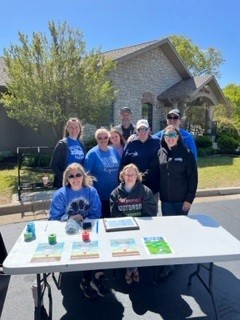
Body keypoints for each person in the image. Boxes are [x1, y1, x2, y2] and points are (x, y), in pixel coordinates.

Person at [48, 163, 110, 298]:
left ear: (83, 176)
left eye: (78, 175)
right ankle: (86, 280)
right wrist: (71, 218)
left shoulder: (91, 191)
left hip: (87, 225)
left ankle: (99, 275)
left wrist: (84, 224)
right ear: (67, 179)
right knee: (83, 246)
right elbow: (54, 218)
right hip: (67, 229)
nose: (75, 178)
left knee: (93, 242)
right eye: (71, 176)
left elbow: (96, 213)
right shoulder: (61, 194)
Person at [146, 125, 198, 279]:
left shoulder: (186, 153)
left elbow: (193, 179)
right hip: (166, 201)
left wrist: (189, 199)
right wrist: (135, 177)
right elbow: (151, 171)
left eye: (173, 135)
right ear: (164, 137)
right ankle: (170, 263)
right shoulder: (160, 153)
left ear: (178, 136)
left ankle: (178, 258)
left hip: (182, 201)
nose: (170, 137)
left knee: (181, 230)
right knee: (168, 231)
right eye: (167, 135)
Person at [110, 163, 158, 285]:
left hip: (141, 228)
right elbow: (114, 213)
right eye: (127, 174)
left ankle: (131, 269)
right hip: (124, 228)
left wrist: (138, 224)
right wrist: (125, 224)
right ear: (123, 176)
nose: (130, 177)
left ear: (137, 176)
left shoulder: (145, 191)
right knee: (128, 246)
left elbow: (151, 212)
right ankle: (132, 269)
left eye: (133, 174)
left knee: (138, 245)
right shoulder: (115, 193)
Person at [84, 128, 121, 218]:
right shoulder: (92, 154)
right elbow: (87, 176)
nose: (103, 140)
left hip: (115, 196)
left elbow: (120, 170)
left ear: (109, 138)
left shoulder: (113, 151)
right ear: (96, 139)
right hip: (100, 197)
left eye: (105, 137)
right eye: (100, 138)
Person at [121, 119, 160, 195]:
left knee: (151, 206)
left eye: (145, 129)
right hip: (134, 184)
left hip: (152, 185)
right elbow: (124, 163)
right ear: (136, 130)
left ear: (149, 130)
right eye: (140, 129)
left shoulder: (157, 142)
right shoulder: (130, 143)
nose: (142, 132)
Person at [51, 118, 86, 189]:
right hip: (66, 184)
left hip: (78, 182)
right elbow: (53, 165)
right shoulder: (62, 144)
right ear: (67, 129)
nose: (74, 130)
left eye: (76, 127)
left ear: (80, 128)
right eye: (71, 127)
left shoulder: (81, 143)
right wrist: (65, 179)